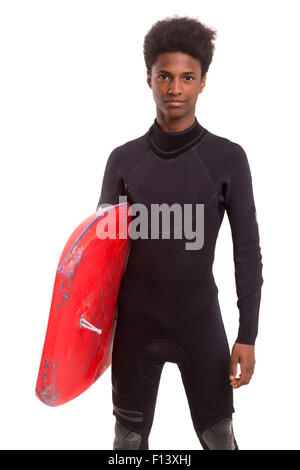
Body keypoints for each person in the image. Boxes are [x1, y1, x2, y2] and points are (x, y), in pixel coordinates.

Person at [96, 15, 263, 450]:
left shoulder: (228, 159)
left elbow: (246, 252)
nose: (175, 89)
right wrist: (88, 339)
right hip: (133, 329)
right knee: (128, 442)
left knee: (218, 437)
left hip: (200, 325)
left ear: (203, 82)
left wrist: (248, 333)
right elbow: (99, 260)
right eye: (165, 76)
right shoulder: (122, 161)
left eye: (187, 77)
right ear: (148, 79)